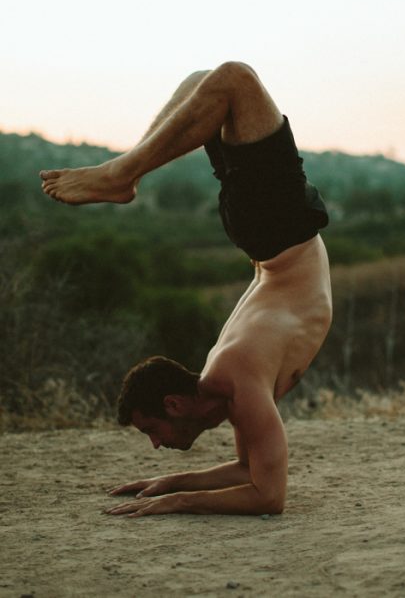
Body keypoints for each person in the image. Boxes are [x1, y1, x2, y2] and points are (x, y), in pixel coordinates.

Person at [40, 62, 331, 517]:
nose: (156, 444)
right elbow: (247, 471)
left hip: (278, 233)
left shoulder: (235, 375)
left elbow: (268, 496)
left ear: (175, 404)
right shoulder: (233, 388)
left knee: (228, 80)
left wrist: (179, 499)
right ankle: (125, 175)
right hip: (267, 237)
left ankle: (123, 174)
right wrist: (170, 482)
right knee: (207, 85)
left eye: (151, 429)